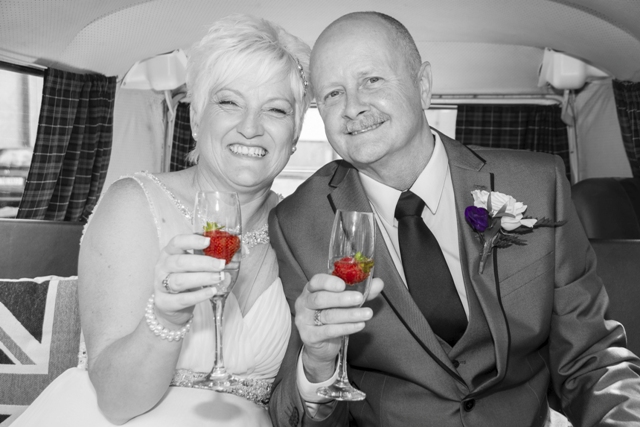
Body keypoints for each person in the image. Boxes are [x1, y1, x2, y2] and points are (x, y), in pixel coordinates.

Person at [267, 11, 640, 427]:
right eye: (333, 93)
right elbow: (294, 415)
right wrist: (317, 364)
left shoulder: (537, 184)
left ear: (423, 85)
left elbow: (590, 359)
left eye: (371, 80)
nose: (353, 107)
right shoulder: (296, 224)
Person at [12, 14, 311, 427]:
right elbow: (116, 402)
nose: (250, 127)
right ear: (196, 119)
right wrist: (167, 319)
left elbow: (299, 400)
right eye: (229, 102)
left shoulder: (302, 227)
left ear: (295, 135)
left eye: (276, 109)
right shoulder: (133, 205)